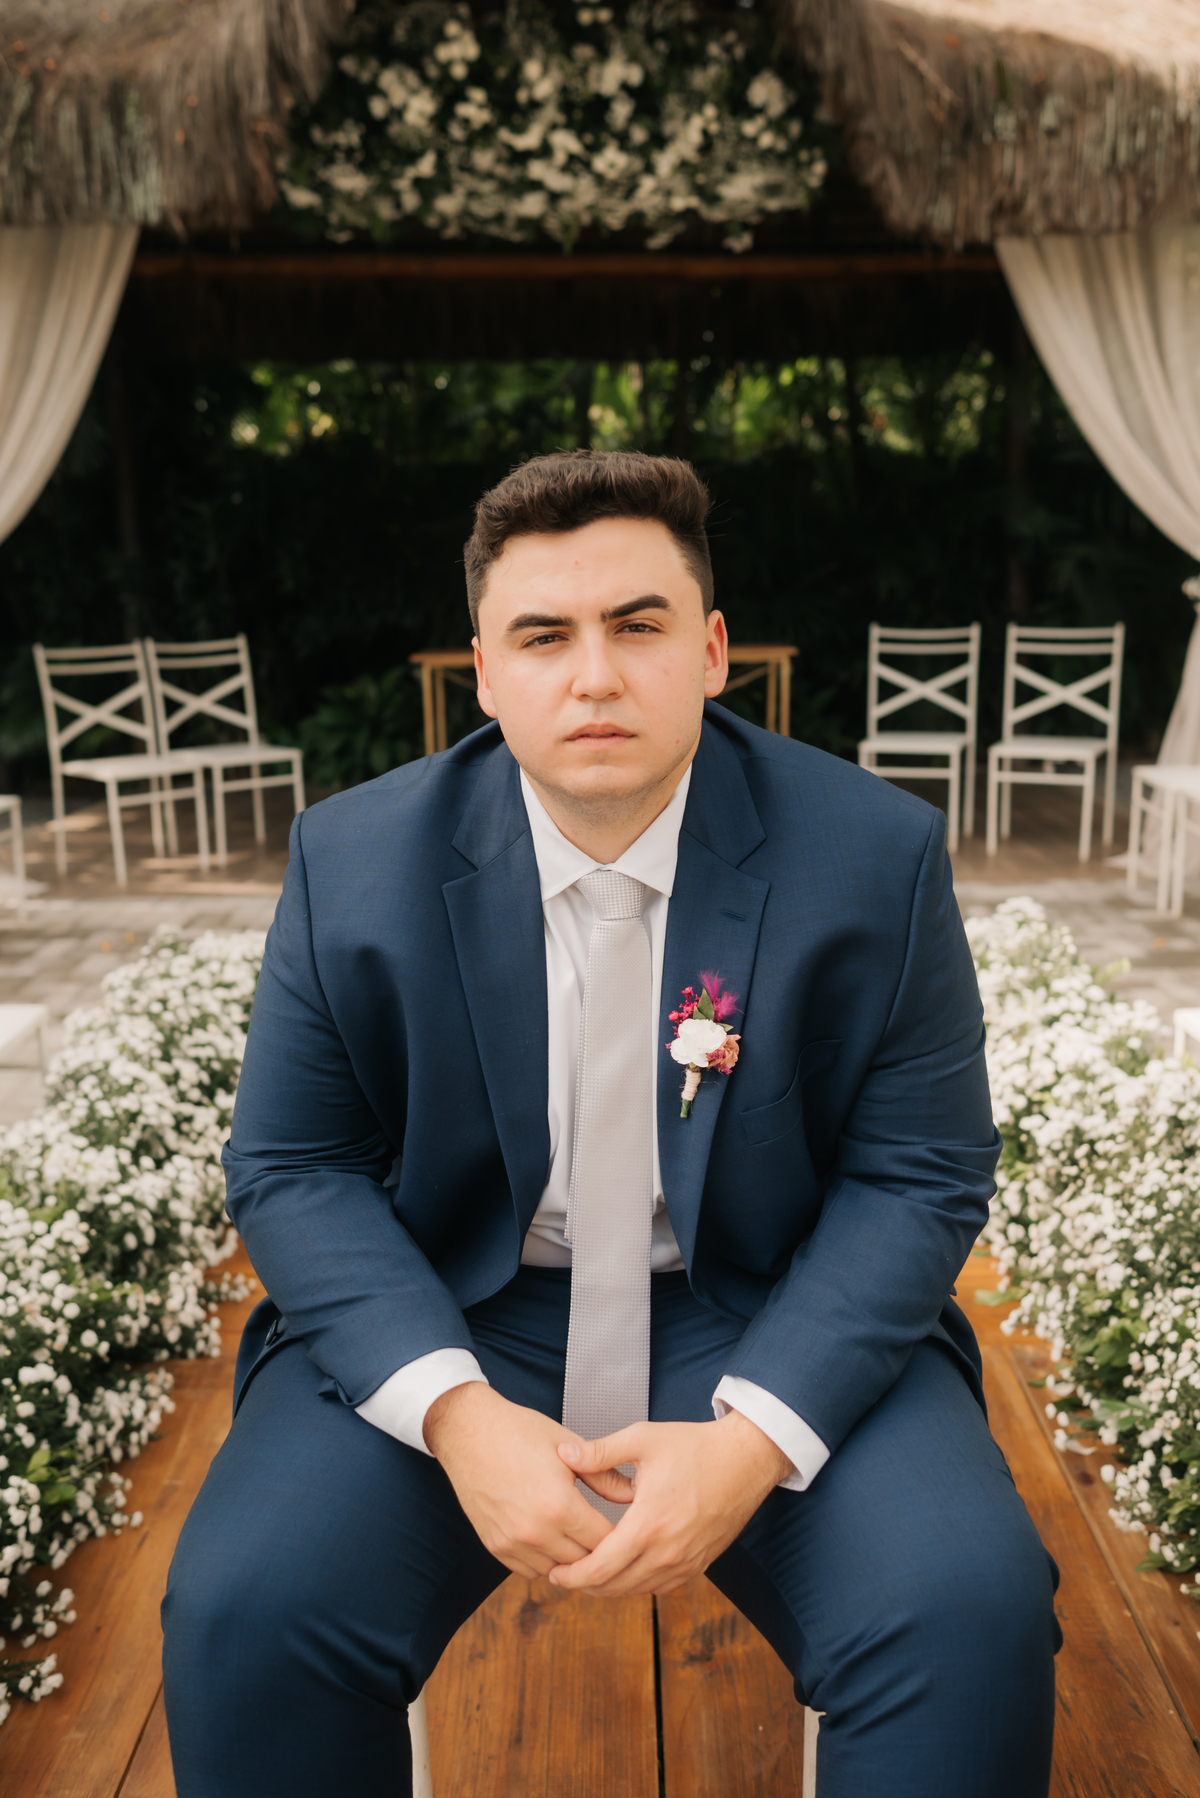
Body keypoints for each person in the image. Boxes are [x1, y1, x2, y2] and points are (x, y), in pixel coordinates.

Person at [162, 449, 1059, 1798]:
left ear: (711, 650)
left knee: (965, 1611)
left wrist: (753, 1441)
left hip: (757, 1305)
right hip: (459, 1306)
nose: (594, 676)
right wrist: (458, 1416)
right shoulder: (352, 860)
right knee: (248, 1610)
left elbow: (919, 1173)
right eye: (545, 636)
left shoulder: (874, 855)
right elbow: (294, 1166)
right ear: (484, 672)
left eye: (637, 626)